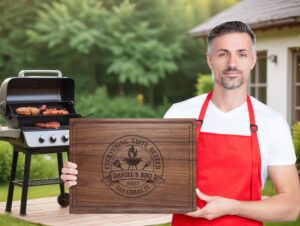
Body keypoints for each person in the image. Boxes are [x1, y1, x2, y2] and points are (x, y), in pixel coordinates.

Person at [61, 21, 300, 225]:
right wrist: (86, 176)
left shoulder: (271, 122)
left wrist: (232, 207)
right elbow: (142, 178)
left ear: (252, 61)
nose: (232, 64)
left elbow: (291, 206)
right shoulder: (180, 113)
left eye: (241, 53)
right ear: (209, 60)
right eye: (223, 53)